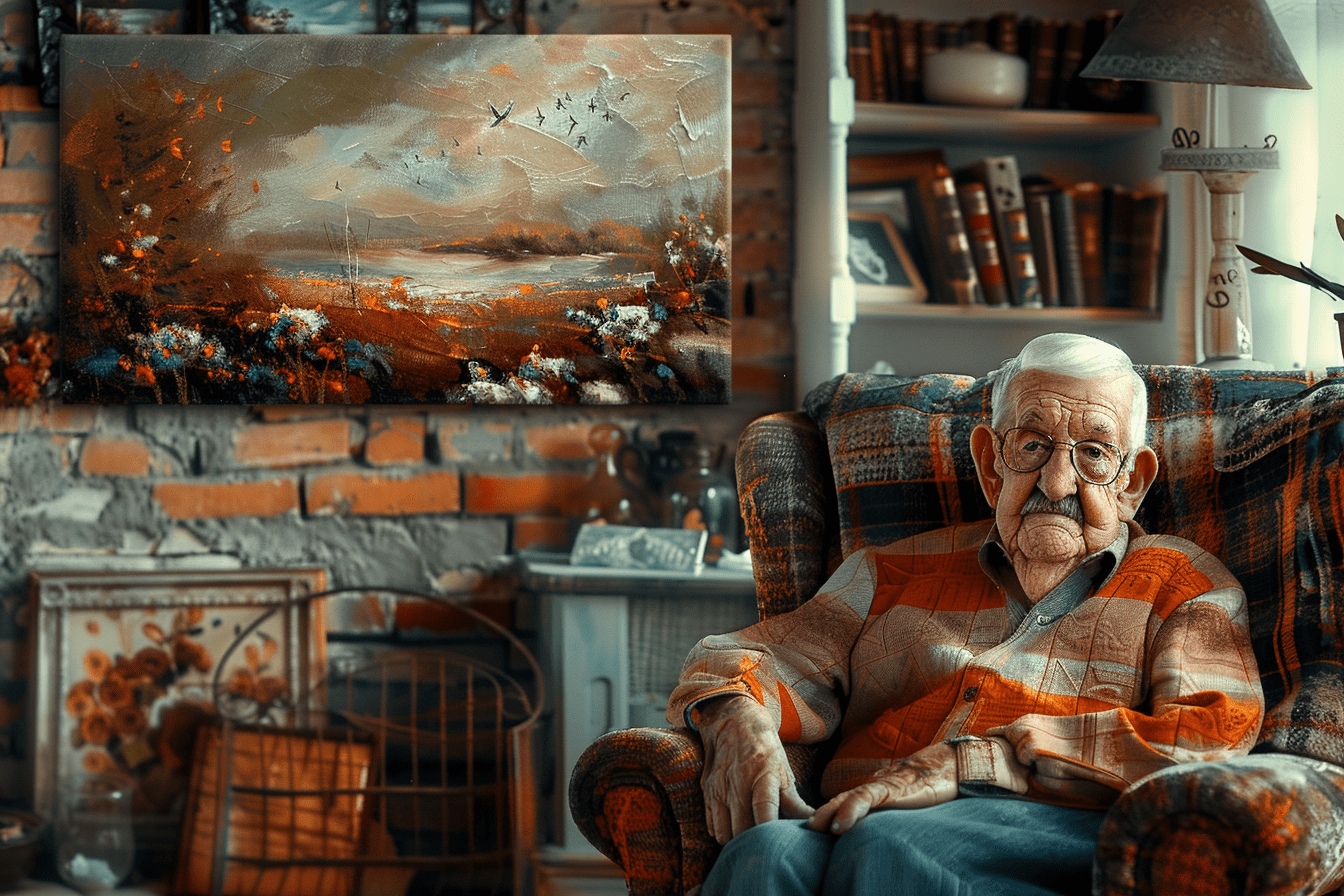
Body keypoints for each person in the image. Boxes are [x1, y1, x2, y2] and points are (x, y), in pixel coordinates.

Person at [666, 333, 1265, 896]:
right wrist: (734, 715)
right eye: (1032, 446)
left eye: (1092, 453)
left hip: (1055, 828)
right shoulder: (889, 572)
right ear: (990, 462)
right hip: (862, 812)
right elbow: (761, 656)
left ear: (1131, 482)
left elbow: (1209, 734)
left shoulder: (1181, 583)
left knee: (886, 847)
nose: (1056, 481)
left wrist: (978, 760)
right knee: (762, 853)